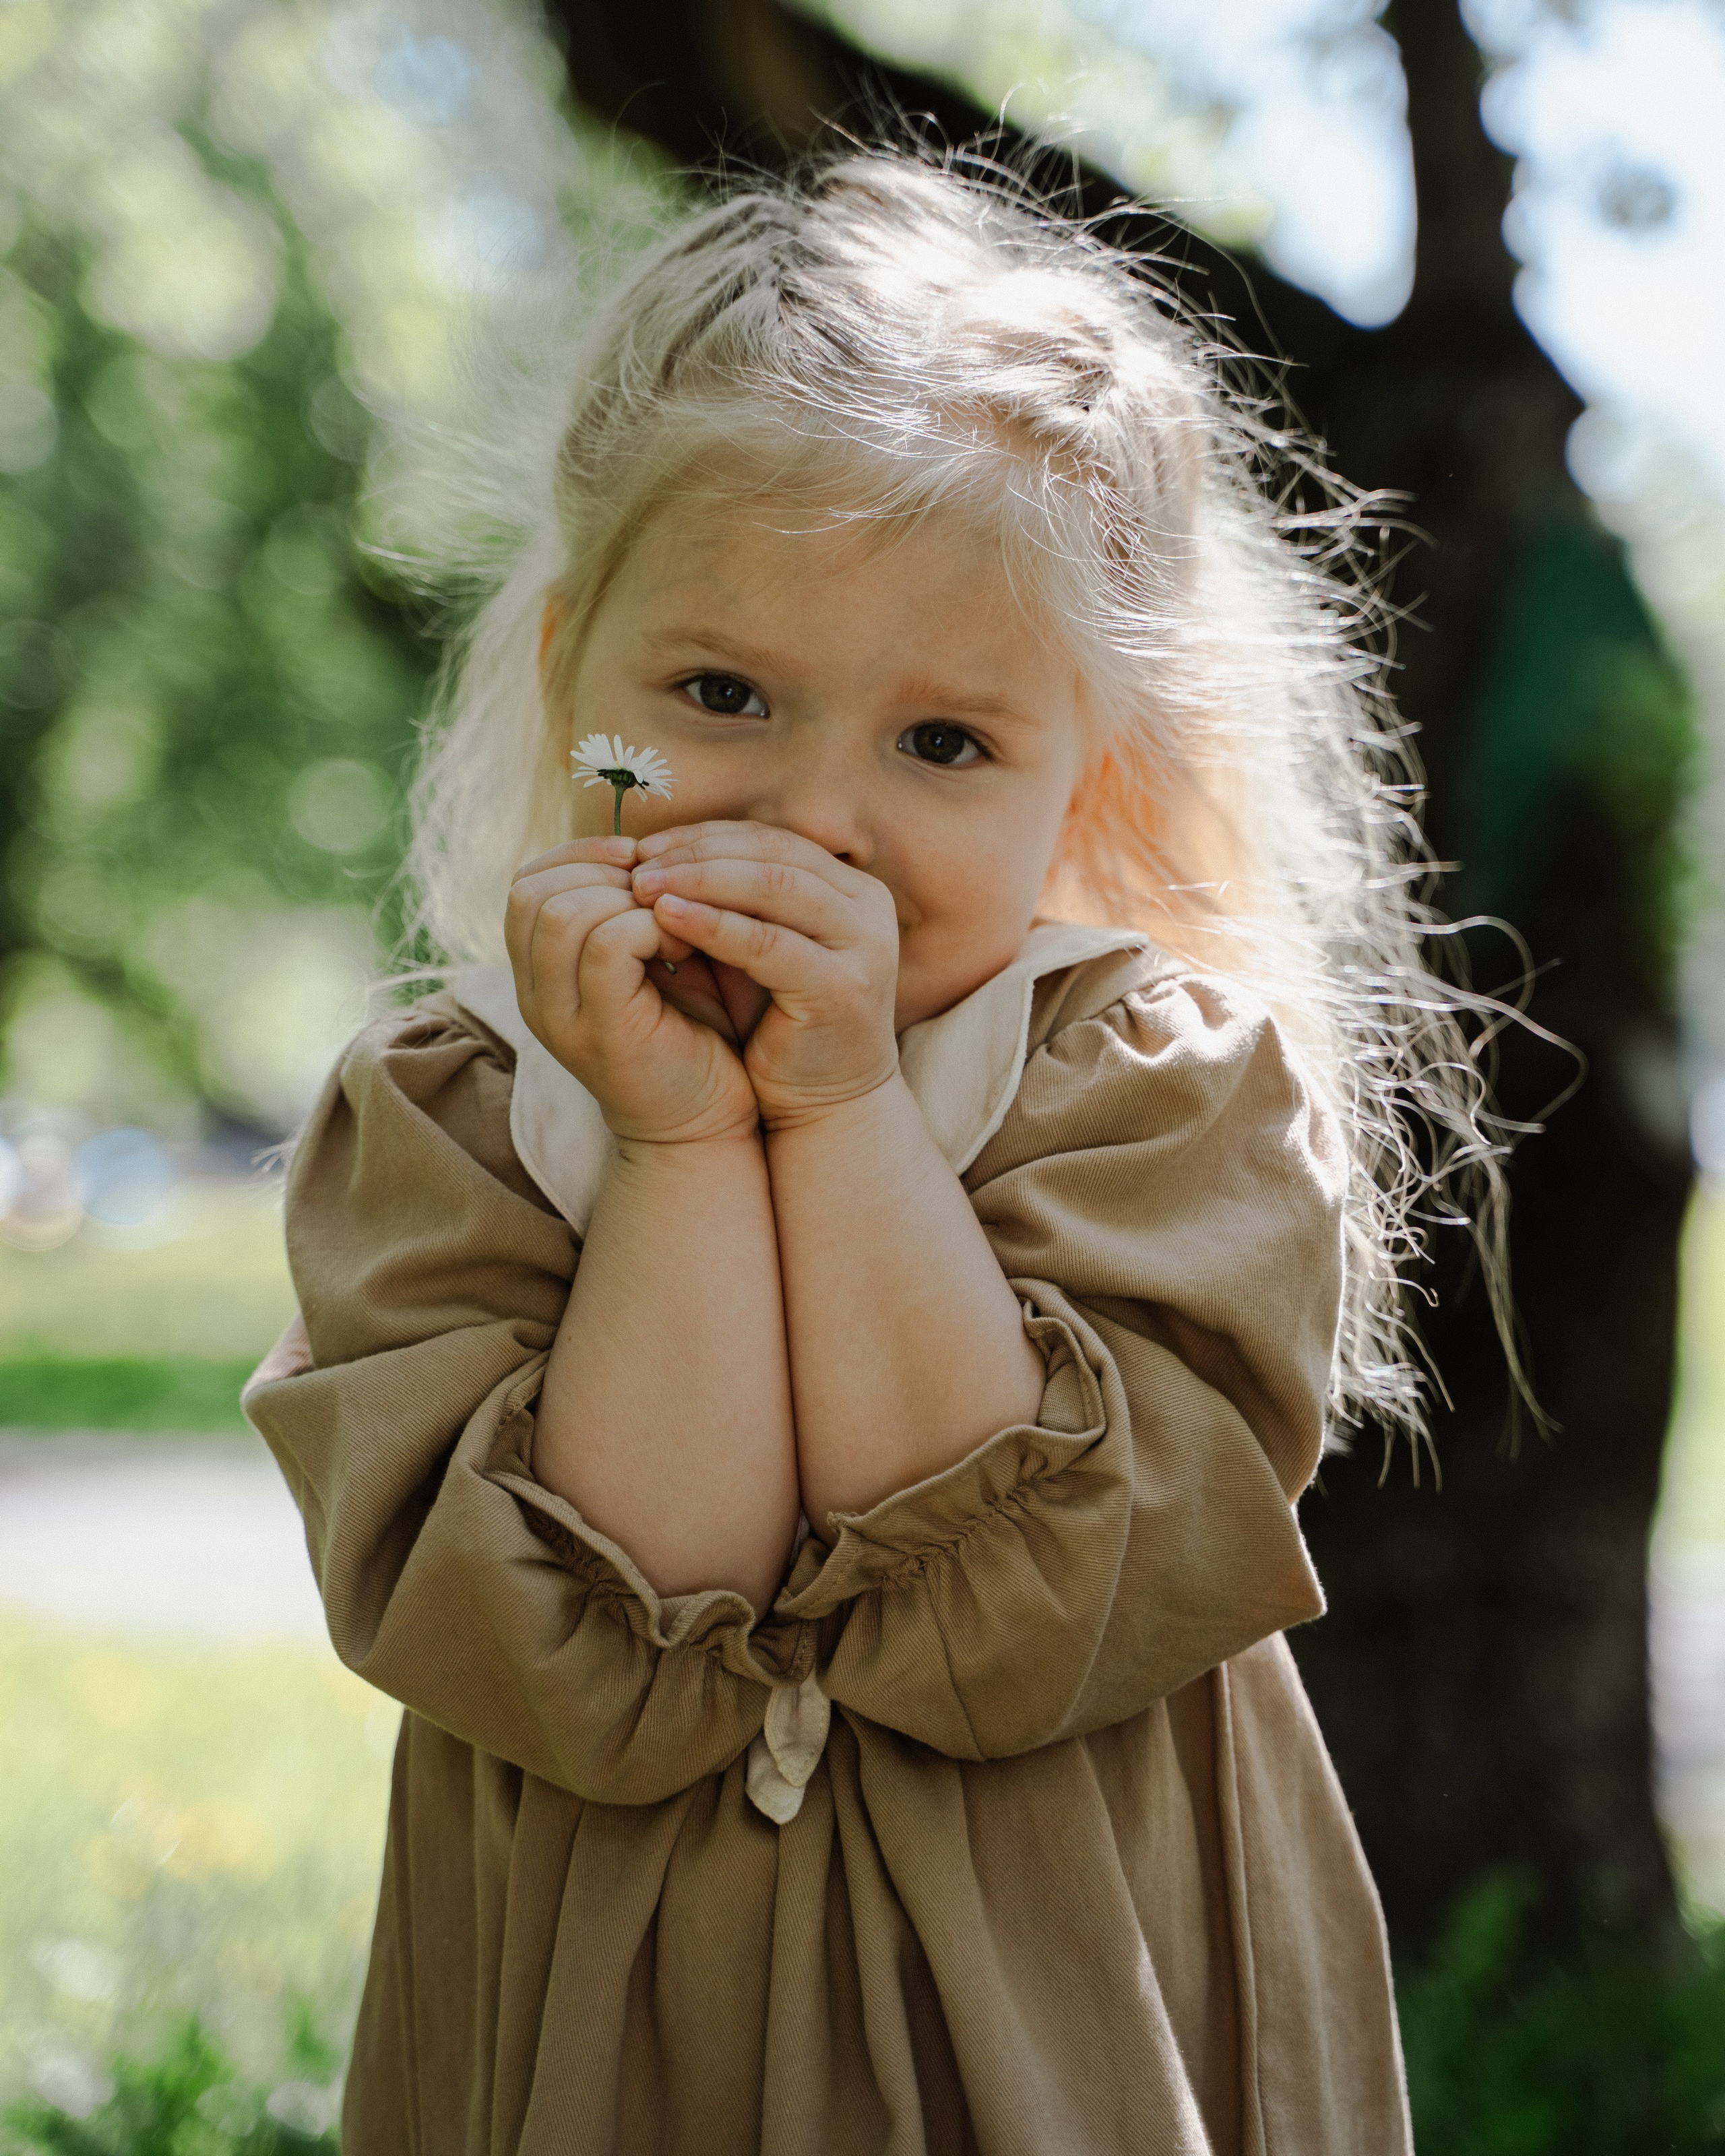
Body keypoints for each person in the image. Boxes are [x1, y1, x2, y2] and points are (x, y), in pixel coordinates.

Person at [247, 151, 1509, 2155]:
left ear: (1094, 768)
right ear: (578, 674)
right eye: (722, 694)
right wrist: (672, 1136)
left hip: (1069, 2035)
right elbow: (620, 1651)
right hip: (617, 2053)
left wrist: (832, 1111)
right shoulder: (458, 1116)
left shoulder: (1151, 1092)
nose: (819, 818)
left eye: (943, 744)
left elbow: (1015, 1615)